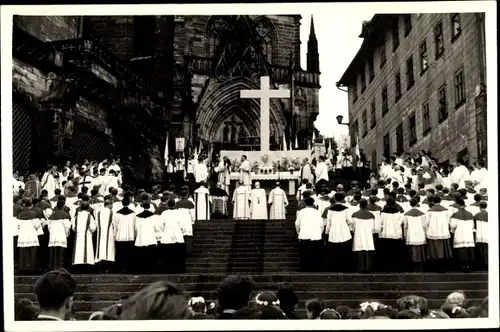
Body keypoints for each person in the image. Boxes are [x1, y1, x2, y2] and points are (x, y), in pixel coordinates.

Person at [324, 192, 352, 272]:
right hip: (344, 232)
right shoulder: (346, 209)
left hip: (334, 231)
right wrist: (347, 226)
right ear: (343, 199)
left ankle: (334, 267)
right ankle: (344, 267)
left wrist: (327, 232)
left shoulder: (330, 210)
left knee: (334, 250)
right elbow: (350, 221)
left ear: (335, 199)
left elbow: (328, 223)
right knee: (344, 250)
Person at [425, 196, 453, 273]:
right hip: (443, 232)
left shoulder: (430, 211)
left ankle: (436, 267)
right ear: (440, 201)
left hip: (433, 232)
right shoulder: (446, 210)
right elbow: (448, 221)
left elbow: (426, 223)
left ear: (433, 202)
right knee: (442, 250)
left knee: (434, 250)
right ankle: (442, 267)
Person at [295, 197, 324, 272]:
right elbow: (321, 224)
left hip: (304, 235)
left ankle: (304, 268)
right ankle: (316, 268)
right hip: (315, 235)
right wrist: (320, 233)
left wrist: (298, 232)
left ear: (305, 203)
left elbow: (297, 224)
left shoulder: (301, 212)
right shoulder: (317, 212)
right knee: (315, 253)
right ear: (313, 203)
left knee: (304, 253)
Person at [159, 199, 187, 273]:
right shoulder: (179, 213)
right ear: (175, 205)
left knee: (167, 254)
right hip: (177, 235)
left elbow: (160, 225)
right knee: (178, 254)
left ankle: (167, 268)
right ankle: (178, 268)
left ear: (168, 205)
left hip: (167, 235)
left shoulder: (164, 213)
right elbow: (183, 225)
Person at [16, 199, 42, 274]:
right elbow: (37, 225)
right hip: (31, 234)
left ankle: (23, 268)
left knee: (23, 251)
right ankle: (32, 268)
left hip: (23, 234)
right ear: (30, 205)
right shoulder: (34, 213)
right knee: (32, 251)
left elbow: (18, 225)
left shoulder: (20, 214)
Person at [378, 198, 405, 272]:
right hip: (395, 234)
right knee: (395, 252)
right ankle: (395, 265)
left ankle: (386, 266)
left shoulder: (383, 213)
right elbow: (400, 222)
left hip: (386, 234)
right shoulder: (397, 213)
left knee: (386, 251)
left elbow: (381, 223)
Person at [449, 198, 475, 272]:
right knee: (468, 250)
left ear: (458, 205)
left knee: (461, 250)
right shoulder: (470, 214)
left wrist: (452, 230)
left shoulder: (456, 214)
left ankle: (462, 266)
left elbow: (453, 225)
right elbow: (472, 226)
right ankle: (468, 266)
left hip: (459, 234)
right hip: (468, 234)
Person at [351, 199, 376, 273]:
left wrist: (355, 231)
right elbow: (373, 227)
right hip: (368, 234)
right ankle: (368, 267)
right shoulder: (371, 215)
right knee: (368, 251)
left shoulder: (355, 214)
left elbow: (353, 227)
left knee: (359, 251)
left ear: (359, 205)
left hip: (358, 234)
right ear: (366, 205)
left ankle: (360, 267)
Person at [403, 198, 427, 272]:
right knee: (420, 250)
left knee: (412, 251)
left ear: (410, 204)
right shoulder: (422, 214)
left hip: (411, 234)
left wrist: (405, 235)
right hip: (420, 234)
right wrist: (425, 234)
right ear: (417, 204)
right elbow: (424, 225)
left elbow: (405, 226)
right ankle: (420, 266)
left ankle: (414, 266)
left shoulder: (406, 214)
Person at [46, 200, 72, 271]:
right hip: (61, 235)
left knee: (53, 251)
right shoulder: (65, 214)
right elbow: (67, 226)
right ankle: (60, 267)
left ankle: (52, 266)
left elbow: (49, 226)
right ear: (63, 206)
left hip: (53, 236)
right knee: (60, 252)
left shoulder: (52, 215)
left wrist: (51, 233)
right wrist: (66, 234)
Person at [72, 202, 97, 273]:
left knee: (78, 251)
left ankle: (78, 266)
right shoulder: (90, 216)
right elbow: (93, 227)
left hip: (78, 236)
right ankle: (87, 266)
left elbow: (73, 227)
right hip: (87, 235)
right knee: (87, 251)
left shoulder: (77, 217)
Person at [113, 196, 137, 273]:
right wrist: (135, 235)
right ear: (129, 203)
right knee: (129, 253)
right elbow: (135, 226)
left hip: (120, 236)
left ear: (122, 203)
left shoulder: (117, 214)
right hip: (130, 236)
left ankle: (120, 267)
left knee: (120, 253)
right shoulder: (133, 214)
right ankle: (129, 268)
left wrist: (114, 235)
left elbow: (115, 226)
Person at [134, 201, 158, 273]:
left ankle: (142, 268)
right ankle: (151, 268)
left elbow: (136, 227)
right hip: (151, 237)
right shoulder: (153, 215)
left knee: (142, 254)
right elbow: (156, 227)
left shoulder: (138, 216)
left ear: (142, 207)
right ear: (149, 207)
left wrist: (137, 235)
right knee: (150, 254)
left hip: (141, 238)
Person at [95, 199, 117, 273]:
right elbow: (115, 224)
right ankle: (108, 268)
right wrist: (114, 233)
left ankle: (100, 268)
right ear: (109, 204)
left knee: (101, 249)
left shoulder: (99, 212)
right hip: (109, 233)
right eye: (112, 204)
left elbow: (96, 223)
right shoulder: (112, 213)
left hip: (100, 233)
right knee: (109, 250)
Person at [175, 189, 195, 256]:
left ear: (181, 195)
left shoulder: (177, 203)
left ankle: (180, 252)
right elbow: (193, 214)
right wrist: (193, 221)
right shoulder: (190, 203)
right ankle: (188, 252)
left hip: (179, 222)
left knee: (180, 237)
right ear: (186, 195)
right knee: (188, 237)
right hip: (187, 221)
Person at [474, 201, 488, 271]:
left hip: (479, 235)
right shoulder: (490, 215)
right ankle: (487, 265)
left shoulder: (476, 215)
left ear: (479, 207)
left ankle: (481, 265)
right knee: (487, 250)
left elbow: (475, 226)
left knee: (480, 250)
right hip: (487, 235)